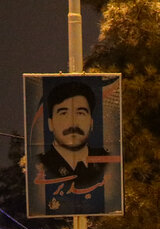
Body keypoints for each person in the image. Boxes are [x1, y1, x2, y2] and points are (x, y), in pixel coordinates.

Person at [34, 80, 110, 214]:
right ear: (50, 123)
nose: (73, 122)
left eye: (81, 113)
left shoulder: (107, 163)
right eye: (63, 113)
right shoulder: (40, 165)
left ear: (91, 122)